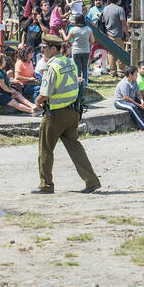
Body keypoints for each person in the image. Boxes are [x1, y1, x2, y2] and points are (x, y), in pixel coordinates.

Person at [34, 37, 101, 194]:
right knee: (75, 147)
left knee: (45, 149)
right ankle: (91, 181)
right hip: (73, 112)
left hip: (55, 114)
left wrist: (37, 101)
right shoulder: (69, 62)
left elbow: (45, 93)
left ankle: (46, 185)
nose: (42, 50)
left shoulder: (52, 66)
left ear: (54, 49)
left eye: (45, 47)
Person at [113, 65, 144, 131]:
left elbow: (138, 93)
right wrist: (138, 105)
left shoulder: (134, 82)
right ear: (130, 74)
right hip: (120, 101)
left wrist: (142, 101)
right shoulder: (124, 83)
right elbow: (126, 98)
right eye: (136, 74)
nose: (137, 75)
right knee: (133, 107)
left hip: (131, 99)